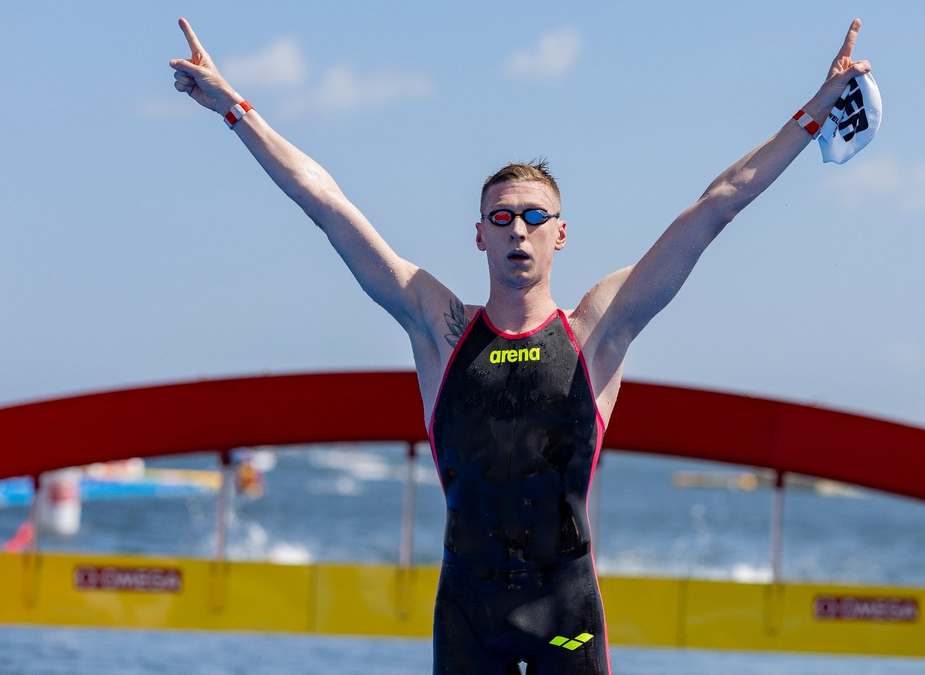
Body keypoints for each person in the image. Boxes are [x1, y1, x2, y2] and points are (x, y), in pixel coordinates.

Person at [170, 18, 870, 675]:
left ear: (560, 234)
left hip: (566, 614)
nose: (518, 230)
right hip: (467, 614)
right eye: (501, 217)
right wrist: (238, 110)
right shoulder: (437, 325)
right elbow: (326, 205)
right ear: (479, 234)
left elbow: (719, 203)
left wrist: (812, 115)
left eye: (535, 217)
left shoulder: (598, 327)